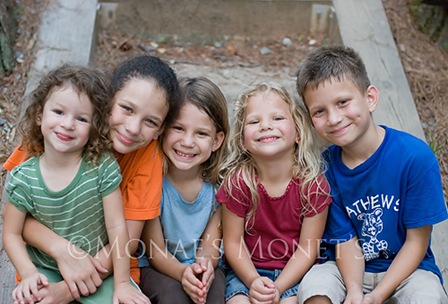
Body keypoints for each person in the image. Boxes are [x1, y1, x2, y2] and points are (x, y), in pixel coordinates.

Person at [3, 55, 181, 303]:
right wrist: (63, 250)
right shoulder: (58, 132)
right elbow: (16, 212)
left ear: (160, 129)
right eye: (126, 109)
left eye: (150, 122)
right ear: (107, 101)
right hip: (45, 266)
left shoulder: (146, 157)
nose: (132, 128)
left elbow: (125, 234)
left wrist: (67, 291)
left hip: (106, 271)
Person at [295, 45, 448, 304]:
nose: (333, 118)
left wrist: (377, 295)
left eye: (343, 102)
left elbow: (416, 242)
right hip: (346, 268)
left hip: (408, 270)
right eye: (319, 111)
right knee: (314, 287)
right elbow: (346, 241)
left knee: (428, 296)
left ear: (370, 98)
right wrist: (355, 291)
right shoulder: (324, 167)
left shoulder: (414, 157)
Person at [215, 82, 332, 304]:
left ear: (298, 133)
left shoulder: (312, 185)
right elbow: (233, 243)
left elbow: (308, 248)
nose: (266, 126)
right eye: (254, 121)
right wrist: (253, 281)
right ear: (242, 141)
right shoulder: (238, 183)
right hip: (247, 272)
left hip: (295, 275)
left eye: (277, 118)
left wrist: (278, 288)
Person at [138, 76, 229, 304]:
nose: (187, 142)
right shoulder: (152, 181)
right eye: (178, 128)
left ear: (217, 140)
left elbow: (210, 245)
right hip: (157, 266)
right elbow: (155, 252)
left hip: (201, 264)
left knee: (214, 293)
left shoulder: (220, 186)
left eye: (201, 133)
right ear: (163, 129)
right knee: (174, 297)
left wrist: (203, 267)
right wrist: (181, 273)